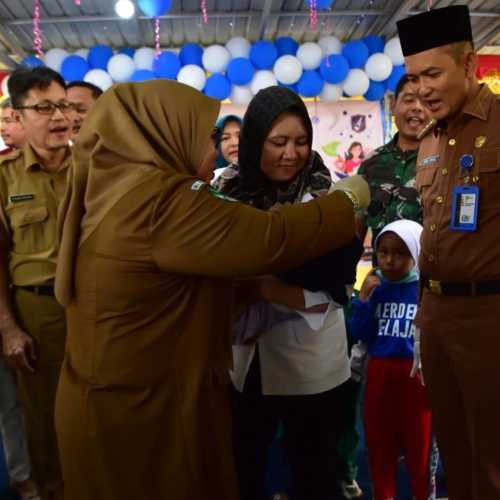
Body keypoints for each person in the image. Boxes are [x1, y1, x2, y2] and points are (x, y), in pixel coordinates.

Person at [53, 80, 370, 500]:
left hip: (121, 392)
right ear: (165, 133)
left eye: (300, 141)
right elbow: (271, 238)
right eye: (206, 137)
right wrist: (350, 200)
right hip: (138, 403)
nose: (216, 150)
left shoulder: (118, 186)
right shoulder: (162, 200)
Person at [216, 86, 363, 500]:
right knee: (244, 463)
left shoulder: (329, 199)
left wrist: (271, 288)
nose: (291, 154)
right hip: (244, 359)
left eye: (300, 142)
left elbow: (337, 282)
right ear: (253, 140)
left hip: (311, 360)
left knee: (313, 467)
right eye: (277, 142)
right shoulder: (224, 191)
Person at [397, 5, 500, 500]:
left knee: (493, 457)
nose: (421, 90)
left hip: (490, 315)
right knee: (453, 452)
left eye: (433, 73)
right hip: (435, 315)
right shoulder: (428, 142)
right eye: (414, 78)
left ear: (469, 64)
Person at [0, 66, 72, 500]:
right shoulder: (5, 177)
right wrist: (8, 328)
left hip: (97, 310)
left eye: (63, 104)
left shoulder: (96, 168)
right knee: (43, 420)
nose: (59, 116)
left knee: (100, 412)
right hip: (37, 313)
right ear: (19, 115)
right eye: (44, 107)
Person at [350, 219, 432, 500]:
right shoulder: (375, 289)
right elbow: (360, 333)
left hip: (416, 379)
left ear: (416, 254)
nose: (389, 261)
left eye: (400, 253)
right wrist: (362, 300)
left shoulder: (425, 292)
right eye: (383, 252)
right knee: (379, 447)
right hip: (379, 377)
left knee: (418, 453)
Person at [357, 75, 427, 251]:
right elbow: (356, 230)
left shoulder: (446, 161)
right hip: (384, 276)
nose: (417, 107)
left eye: (426, 101)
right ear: (394, 105)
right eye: (409, 100)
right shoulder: (372, 163)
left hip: (431, 276)